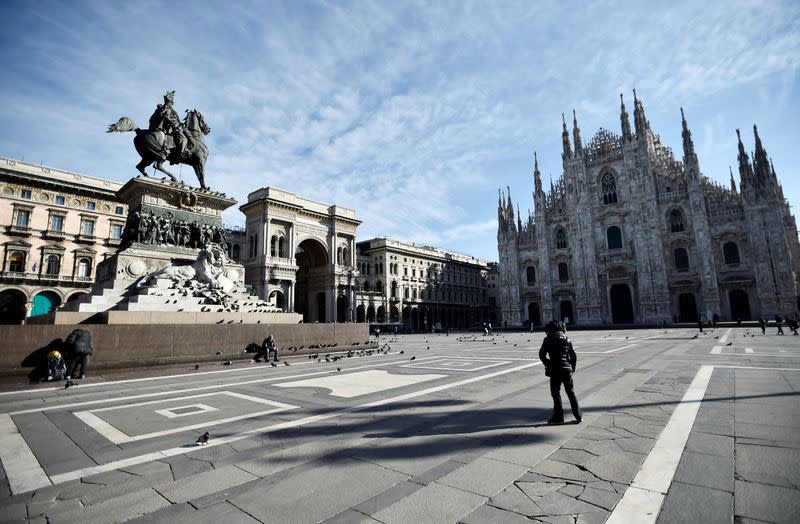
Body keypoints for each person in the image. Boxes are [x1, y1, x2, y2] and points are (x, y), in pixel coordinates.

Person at [539, 320, 581, 424]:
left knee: (556, 393)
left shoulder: (548, 338)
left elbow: (541, 355)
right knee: (571, 392)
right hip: (567, 369)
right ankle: (578, 416)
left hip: (555, 369)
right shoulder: (567, 339)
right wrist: (572, 367)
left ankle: (558, 418)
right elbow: (573, 355)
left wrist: (548, 364)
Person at [148, 90, 187, 161]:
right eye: (170, 102)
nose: (171, 104)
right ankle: (180, 154)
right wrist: (177, 124)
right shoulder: (167, 108)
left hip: (170, 127)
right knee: (183, 138)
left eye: (171, 103)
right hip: (170, 129)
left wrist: (179, 123)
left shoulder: (166, 108)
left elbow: (173, 119)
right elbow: (168, 118)